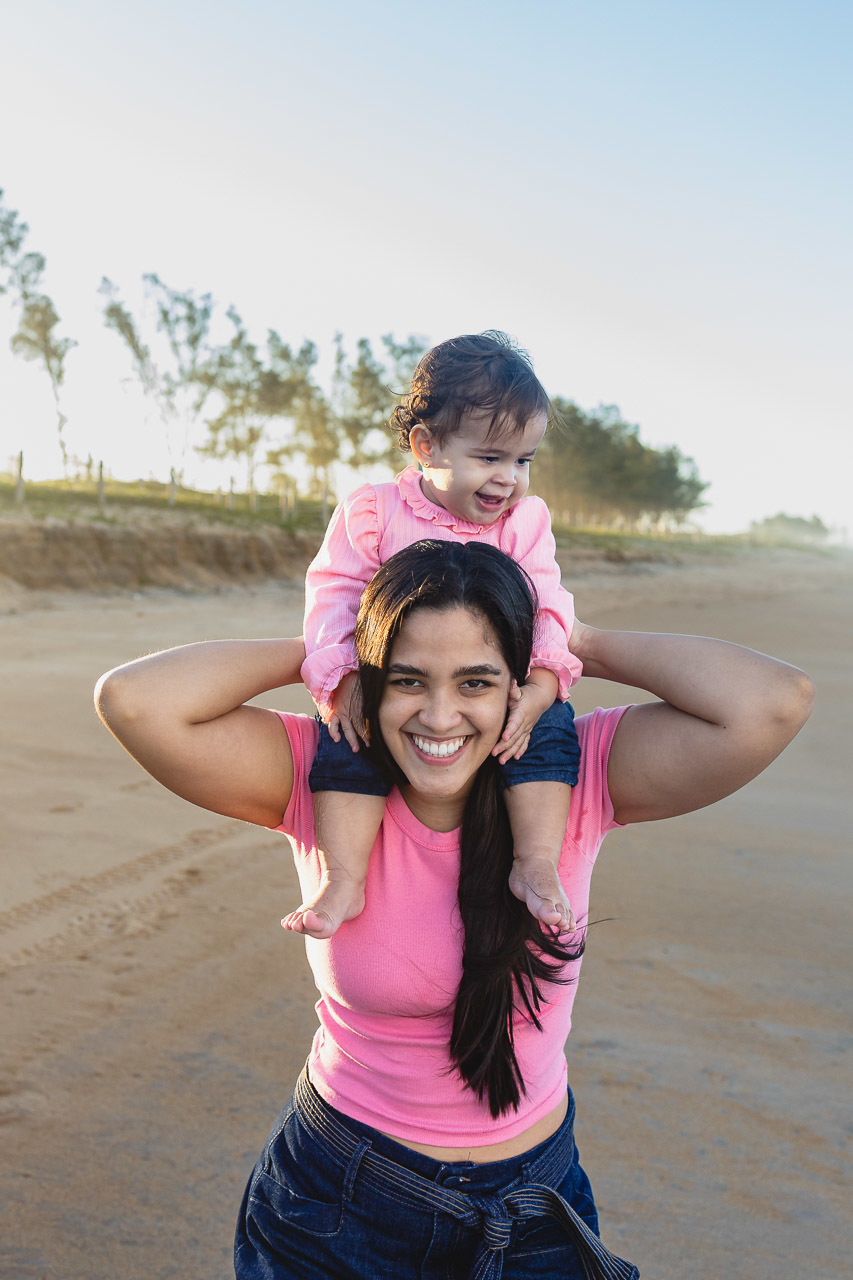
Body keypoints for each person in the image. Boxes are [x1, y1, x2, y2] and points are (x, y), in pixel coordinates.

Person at [94, 540, 814, 1280]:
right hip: (338, 1200)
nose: (439, 717)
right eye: (406, 679)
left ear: (519, 686)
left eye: (476, 681)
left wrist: (573, 646)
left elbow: (770, 702)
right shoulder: (326, 774)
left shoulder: (575, 776)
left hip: (532, 1204)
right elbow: (135, 700)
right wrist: (328, 650)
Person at [293, 330, 583, 940]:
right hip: (393, 687)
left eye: (522, 461)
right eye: (489, 457)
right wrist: (340, 678)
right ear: (427, 445)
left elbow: (550, 604)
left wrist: (544, 682)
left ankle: (534, 863)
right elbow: (335, 595)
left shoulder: (525, 523)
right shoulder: (374, 513)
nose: (508, 479)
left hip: (497, 689)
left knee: (553, 733)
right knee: (344, 742)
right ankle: (343, 876)